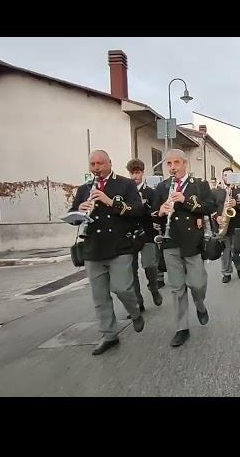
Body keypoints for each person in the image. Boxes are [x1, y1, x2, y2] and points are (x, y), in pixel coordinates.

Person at [68, 150, 145, 356]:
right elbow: (73, 215)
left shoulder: (125, 184)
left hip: (119, 245)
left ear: (110, 163)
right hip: (93, 248)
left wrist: (110, 201)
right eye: (92, 164)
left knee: (122, 288)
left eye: (100, 163)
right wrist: (80, 211)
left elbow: (138, 211)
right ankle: (109, 334)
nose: (96, 168)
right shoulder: (84, 189)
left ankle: (135, 310)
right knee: (100, 296)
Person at [152, 149, 216, 347]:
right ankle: (182, 328)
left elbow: (210, 207)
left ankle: (199, 304)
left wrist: (185, 201)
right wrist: (160, 212)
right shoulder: (162, 187)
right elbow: (153, 213)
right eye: (169, 164)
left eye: (176, 163)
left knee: (197, 284)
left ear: (185, 164)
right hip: (170, 241)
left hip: (192, 242)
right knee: (177, 287)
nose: (172, 167)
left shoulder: (198, 185)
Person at [126, 158, 163, 310]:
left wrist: (143, 206)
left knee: (150, 265)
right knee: (131, 271)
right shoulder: (125, 192)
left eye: (137, 173)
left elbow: (154, 213)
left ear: (142, 173)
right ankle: (138, 302)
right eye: (132, 173)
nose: (135, 177)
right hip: (129, 235)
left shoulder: (151, 192)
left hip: (147, 233)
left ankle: (153, 287)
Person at [212, 167, 240, 283]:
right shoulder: (216, 192)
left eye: (230, 175)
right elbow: (211, 208)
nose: (228, 177)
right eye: (225, 175)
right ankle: (226, 272)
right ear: (222, 177)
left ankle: (239, 267)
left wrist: (237, 204)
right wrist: (217, 217)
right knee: (225, 251)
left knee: (237, 249)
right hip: (223, 225)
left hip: (237, 225)